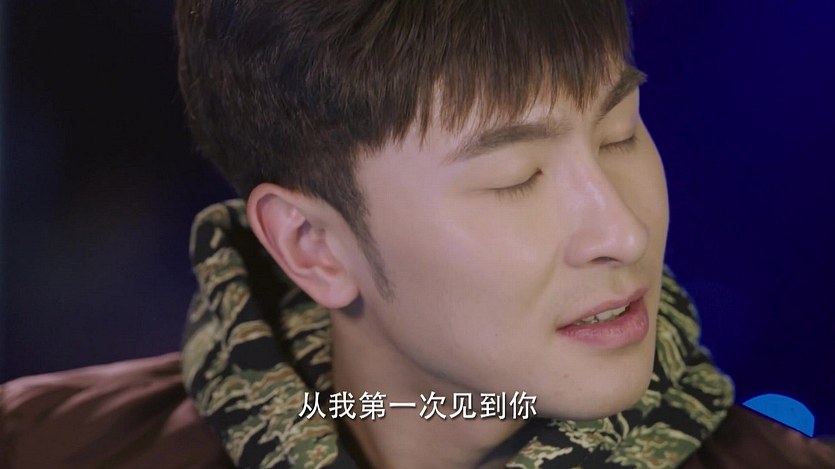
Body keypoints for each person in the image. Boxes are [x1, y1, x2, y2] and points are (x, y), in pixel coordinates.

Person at [2, 1, 834, 468]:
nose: (620, 229)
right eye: (515, 178)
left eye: (620, 133)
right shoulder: (40, 444)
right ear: (311, 244)